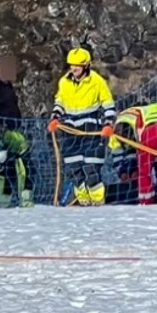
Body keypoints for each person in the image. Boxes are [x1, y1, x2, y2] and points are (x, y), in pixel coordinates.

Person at [47, 47, 116, 206]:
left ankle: (98, 202)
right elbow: (60, 102)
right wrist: (55, 118)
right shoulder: (64, 82)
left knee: (91, 169)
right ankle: (83, 202)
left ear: (86, 65)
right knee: (74, 170)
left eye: (77, 65)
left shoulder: (97, 81)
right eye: (71, 65)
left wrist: (108, 123)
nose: (74, 68)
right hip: (71, 131)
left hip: (92, 130)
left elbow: (108, 104)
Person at [0, 55, 33, 208]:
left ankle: (20, 196)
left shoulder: (8, 86)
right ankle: (7, 198)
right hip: (2, 131)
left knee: (16, 164)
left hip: (13, 128)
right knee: (9, 161)